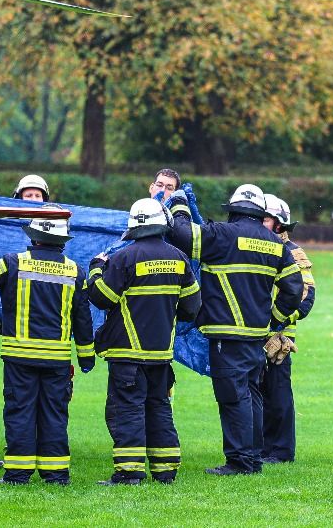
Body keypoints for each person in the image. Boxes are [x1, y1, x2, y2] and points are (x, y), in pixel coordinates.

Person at [167, 184, 304, 476]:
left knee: (233, 397)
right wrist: (272, 321)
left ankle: (240, 462)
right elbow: (294, 289)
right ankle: (252, 458)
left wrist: (178, 202)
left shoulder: (221, 235)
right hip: (256, 336)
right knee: (251, 394)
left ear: (235, 211)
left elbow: (180, 233)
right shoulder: (274, 244)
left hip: (226, 336)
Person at [0, 207, 95, 485]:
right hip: (57, 361)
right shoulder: (76, 271)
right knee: (54, 414)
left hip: (19, 357)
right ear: (63, 240)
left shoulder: (12, 262)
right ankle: (56, 474)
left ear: (34, 236)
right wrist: (86, 358)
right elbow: (82, 320)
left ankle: (17, 475)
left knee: (20, 412)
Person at [86, 198, 202, 486]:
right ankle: (165, 471)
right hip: (161, 355)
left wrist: (95, 269)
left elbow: (102, 297)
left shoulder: (125, 257)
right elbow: (191, 307)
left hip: (127, 354)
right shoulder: (179, 258)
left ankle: (129, 473)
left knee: (127, 411)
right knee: (159, 408)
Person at [258, 194, 315, 464]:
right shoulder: (251, 247)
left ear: (280, 224)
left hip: (278, 340)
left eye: (264, 219)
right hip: (249, 335)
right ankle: (258, 448)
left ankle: (280, 451)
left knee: (277, 393)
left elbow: (305, 299)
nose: (258, 223)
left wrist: (275, 324)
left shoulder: (293, 253)